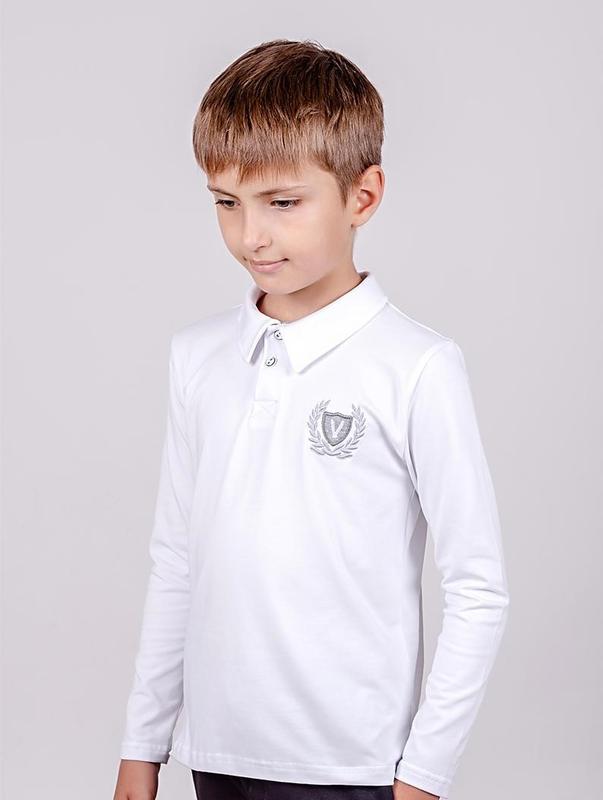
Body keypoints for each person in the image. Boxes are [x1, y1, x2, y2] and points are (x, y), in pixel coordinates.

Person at [113, 39, 510, 800]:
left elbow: (478, 587)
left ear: (362, 196)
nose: (250, 236)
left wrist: (424, 773)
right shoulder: (197, 357)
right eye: (226, 202)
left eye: (282, 203)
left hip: (351, 766)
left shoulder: (417, 365)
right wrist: (143, 743)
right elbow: (177, 560)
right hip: (216, 753)